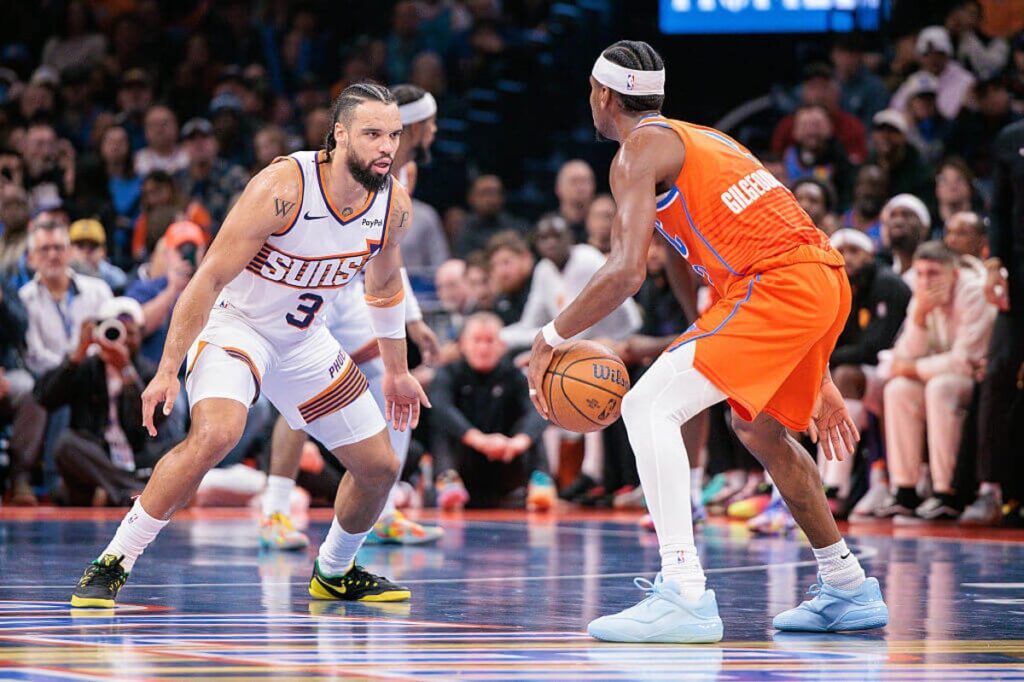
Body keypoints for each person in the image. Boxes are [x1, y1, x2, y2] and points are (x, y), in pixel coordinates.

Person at [527, 40, 888, 643]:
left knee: (647, 406)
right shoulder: (704, 141)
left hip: (776, 285)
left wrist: (550, 336)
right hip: (818, 281)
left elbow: (624, 271)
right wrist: (817, 372)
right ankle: (848, 586)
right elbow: (682, 255)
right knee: (760, 430)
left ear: (603, 95)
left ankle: (683, 593)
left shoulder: (636, 151)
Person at [70, 82, 428, 609]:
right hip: (238, 327)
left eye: (394, 135)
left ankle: (334, 570)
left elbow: (385, 286)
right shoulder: (284, 187)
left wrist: (396, 371)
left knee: (378, 467)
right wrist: (168, 368)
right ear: (339, 136)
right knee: (217, 433)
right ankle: (114, 560)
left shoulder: (392, 205)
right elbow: (208, 278)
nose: (386, 147)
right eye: (373, 134)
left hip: (304, 341)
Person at [257, 84, 444, 550]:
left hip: (353, 287)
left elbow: (387, 257)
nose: (435, 130)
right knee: (302, 392)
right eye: (431, 121)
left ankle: (382, 510)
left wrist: (411, 318)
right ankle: (274, 513)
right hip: (316, 282)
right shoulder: (349, 162)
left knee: (391, 378)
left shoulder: (406, 173)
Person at [877, 241, 995, 521]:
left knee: (940, 387)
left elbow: (965, 360)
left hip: (978, 382)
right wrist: (918, 317)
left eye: (933, 273)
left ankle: (947, 493)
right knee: (898, 389)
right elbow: (902, 356)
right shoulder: (922, 297)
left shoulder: (974, 291)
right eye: (919, 274)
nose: (924, 281)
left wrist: (913, 368)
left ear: (953, 273)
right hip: (939, 375)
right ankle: (904, 490)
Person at [34, 298, 167, 506]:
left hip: (138, 458)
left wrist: (126, 373)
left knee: (182, 444)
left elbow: (157, 419)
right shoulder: (86, 368)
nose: (122, 340)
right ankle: (134, 491)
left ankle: (112, 492)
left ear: (140, 337)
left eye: (130, 333)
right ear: (101, 333)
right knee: (66, 444)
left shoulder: (147, 371)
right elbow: (45, 398)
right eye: (115, 332)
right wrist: (78, 353)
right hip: (95, 457)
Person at [959, 119, 1024, 526]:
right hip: (1018, 281)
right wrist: (995, 262)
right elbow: (998, 208)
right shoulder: (1011, 138)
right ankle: (990, 489)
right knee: (997, 372)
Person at [824, 229, 911, 514]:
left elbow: (875, 347)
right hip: (866, 377)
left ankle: (837, 486)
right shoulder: (835, 288)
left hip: (895, 370)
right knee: (820, 382)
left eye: (854, 251)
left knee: (844, 377)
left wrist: (824, 359)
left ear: (870, 254)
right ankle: (813, 483)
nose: (847, 258)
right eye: (842, 251)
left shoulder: (888, 285)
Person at [430, 312, 551, 509]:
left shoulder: (515, 376)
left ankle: (541, 482)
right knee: (442, 423)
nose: (483, 348)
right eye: (477, 340)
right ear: (463, 344)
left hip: (506, 458)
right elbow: (442, 408)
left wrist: (518, 442)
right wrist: (478, 440)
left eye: (490, 341)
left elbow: (537, 412)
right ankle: (448, 480)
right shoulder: (448, 374)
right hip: (464, 461)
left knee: (536, 411)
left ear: (502, 346)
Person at [503, 213, 641, 349]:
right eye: (544, 238)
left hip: (622, 338)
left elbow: (574, 329)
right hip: (580, 344)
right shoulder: (543, 269)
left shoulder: (587, 258)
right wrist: (498, 336)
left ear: (570, 238)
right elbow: (530, 323)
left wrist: (541, 340)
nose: (551, 243)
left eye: (557, 236)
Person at [19, 219, 112, 376]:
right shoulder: (24, 298)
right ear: (31, 258)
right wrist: (72, 366)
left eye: (58, 248)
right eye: (44, 249)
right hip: (49, 382)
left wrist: (80, 364)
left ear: (69, 252)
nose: (53, 255)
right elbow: (35, 355)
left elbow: (109, 339)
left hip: (94, 377)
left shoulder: (98, 290)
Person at [891, 26, 975, 121]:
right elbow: (895, 110)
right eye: (927, 54)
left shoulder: (966, 80)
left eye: (938, 54)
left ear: (947, 54)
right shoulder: (916, 79)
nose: (933, 59)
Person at [454, 175, 529, 257]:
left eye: (496, 192)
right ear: (471, 197)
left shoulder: (518, 227)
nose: (492, 199)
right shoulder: (464, 230)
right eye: (485, 193)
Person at [68, 219, 127, 293]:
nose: (86, 251)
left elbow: (120, 280)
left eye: (93, 246)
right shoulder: (63, 272)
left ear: (103, 251)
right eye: (81, 246)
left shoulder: (114, 277)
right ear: (69, 250)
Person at [840, 165, 887, 248]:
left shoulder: (887, 227)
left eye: (875, 186)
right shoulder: (841, 221)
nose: (869, 192)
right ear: (856, 188)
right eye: (864, 185)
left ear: (884, 191)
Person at [133, 106, 189, 177]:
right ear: (145, 131)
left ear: (176, 127)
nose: (159, 130)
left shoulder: (189, 156)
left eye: (164, 124)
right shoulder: (136, 161)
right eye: (153, 125)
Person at [555, 159, 596, 243]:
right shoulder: (549, 228)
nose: (580, 188)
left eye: (585, 181)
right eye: (574, 181)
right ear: (558, 189)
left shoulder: (605, 228)